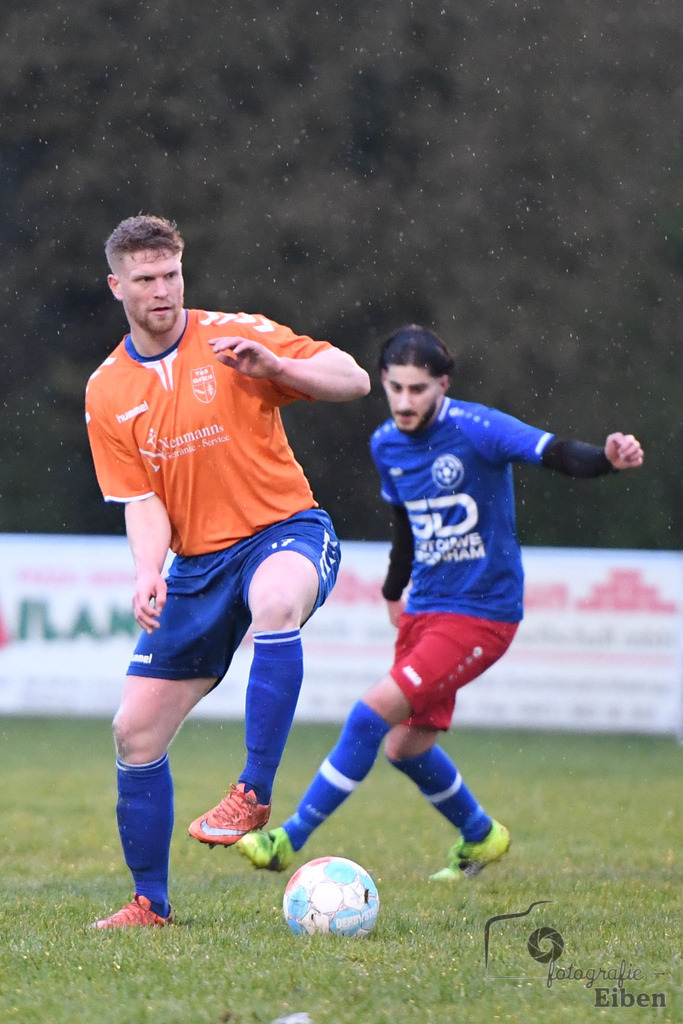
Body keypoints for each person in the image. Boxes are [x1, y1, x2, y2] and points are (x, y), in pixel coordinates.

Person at [237, 323, 644, 881]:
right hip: (425, 607)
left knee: (368, 716)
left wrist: (608, 458)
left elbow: (557, 454)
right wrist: (391, 591)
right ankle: (481, 835)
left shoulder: (479, 429)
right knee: (406, 747)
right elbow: (405, 524)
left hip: (483, 613)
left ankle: (288, 839)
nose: (405, 402)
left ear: (442, 386)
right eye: (396, 388)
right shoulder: (387, 444)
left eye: (418, 390)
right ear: (383, 382)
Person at [85, 214, 370, 928]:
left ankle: (253, 791)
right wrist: (148, 570)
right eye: (145, 279)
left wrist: (280, 370)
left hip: (285, 531)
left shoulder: (234, 335)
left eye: (171, 274)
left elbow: (354, 378)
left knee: (277, 600)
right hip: (197, 567)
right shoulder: (108, 390)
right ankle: (151, 902)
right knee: (134, 731)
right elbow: (142, 500)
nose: (162, 290)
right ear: (117, 286)